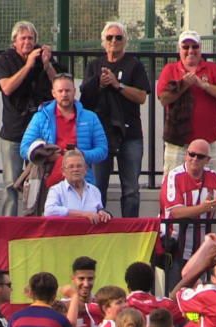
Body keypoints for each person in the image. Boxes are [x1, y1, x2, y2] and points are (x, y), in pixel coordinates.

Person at [80, 21, 151, 217]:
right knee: (97, 187)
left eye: (118, 37)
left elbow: (142, 96)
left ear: (125, 41)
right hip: (101, 134)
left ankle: (129, 231)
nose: (114, 41)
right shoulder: (94, 65)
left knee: (131, 189)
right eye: (110, 37)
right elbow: (85, 98)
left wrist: (117, 85)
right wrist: (100, 84)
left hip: (130, 133)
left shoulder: (134, 65)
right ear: (104, 41)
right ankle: (99, 231)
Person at [0, 21, 63, 215]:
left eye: (31, 38)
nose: (27, 42)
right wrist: (28, 65)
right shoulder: (6, 60)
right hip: (14, 132)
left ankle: (33, 223)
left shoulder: (43, 57)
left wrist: (47, 64)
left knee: (38, 181)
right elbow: (7, 87)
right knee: (11, 183)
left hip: (40, 133)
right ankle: (8, 225)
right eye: (23, 38)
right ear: (14, 42)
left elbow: (60, 85)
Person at [159, 138, 216, 290]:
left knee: (203, 294)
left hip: (203, 248)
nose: (194, 159)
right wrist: (203, 208)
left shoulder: (214, 177)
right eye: (191, 154)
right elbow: (176, 212)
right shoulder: (174, 176)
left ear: (207, 160)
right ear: (186, 155)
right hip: (176, 247)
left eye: (200, 156)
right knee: (176, 293)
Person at [157, 30, 216, 175]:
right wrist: (184, 85)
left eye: (194, 47)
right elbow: (164, 98)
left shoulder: (212, 69)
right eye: (186, 47)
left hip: (209, 140)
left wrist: (204, 86)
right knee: (173, 183)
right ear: (179, 50)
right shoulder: (170, 69)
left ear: (200, 49)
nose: (190, 50)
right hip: (178, 141)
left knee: (212, 185)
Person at [22, 74, 108, 191]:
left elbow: (103, 150)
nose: (64, 94)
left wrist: (81, 155)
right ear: (53, 93)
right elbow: (24, 148)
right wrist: (46, 156)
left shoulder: (90, 118)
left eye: (68, 90)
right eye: (60, 91)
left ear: (74, 91)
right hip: (48, 183)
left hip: (82, 182)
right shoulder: (41, 117)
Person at [43, 150, 112, 223]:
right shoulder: (56, 190)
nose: (75, 169)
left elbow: (99, 210)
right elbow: (49, 211)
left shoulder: (94, 191)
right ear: (63, 171)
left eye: (79, 166)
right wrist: (83, 214)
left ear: (85, 169)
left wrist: (102, 213)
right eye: (71, 166)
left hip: (91, 233)